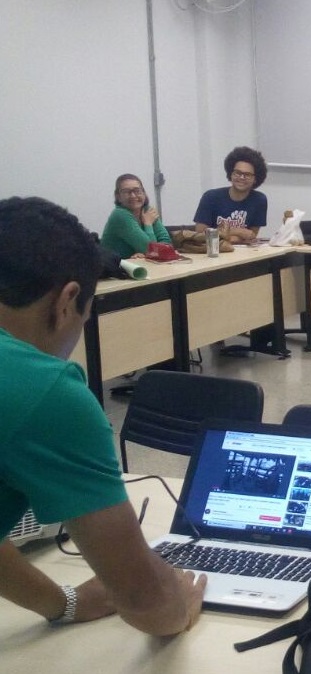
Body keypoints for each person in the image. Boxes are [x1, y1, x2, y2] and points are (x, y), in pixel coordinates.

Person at [0, 196, 206, 633]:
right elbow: (147, 604)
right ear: (68, 300)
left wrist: (64, 604)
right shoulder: (43, 389)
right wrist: (180, 604)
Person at [193, 146, 268, 244]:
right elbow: (200, 235)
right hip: (212, 250)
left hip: (243, 251)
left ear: (255, 179)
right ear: (230, 174)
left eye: (247, 175)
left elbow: (250, 236)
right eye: (237, 173)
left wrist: (224, 235)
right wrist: (238, 231)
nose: (242, 177)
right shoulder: (210, 197)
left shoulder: (259, 200)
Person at [100, 174, 171, 259]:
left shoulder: (147, 211)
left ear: (144, 193)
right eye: (126, 192)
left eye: (137, 191)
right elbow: (151, 250)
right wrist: (148, 224)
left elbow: (167, 244)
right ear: (118, 197)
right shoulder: (119, 215)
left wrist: (146, 254)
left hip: (136, 265)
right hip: (114, 266)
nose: (133, 196)